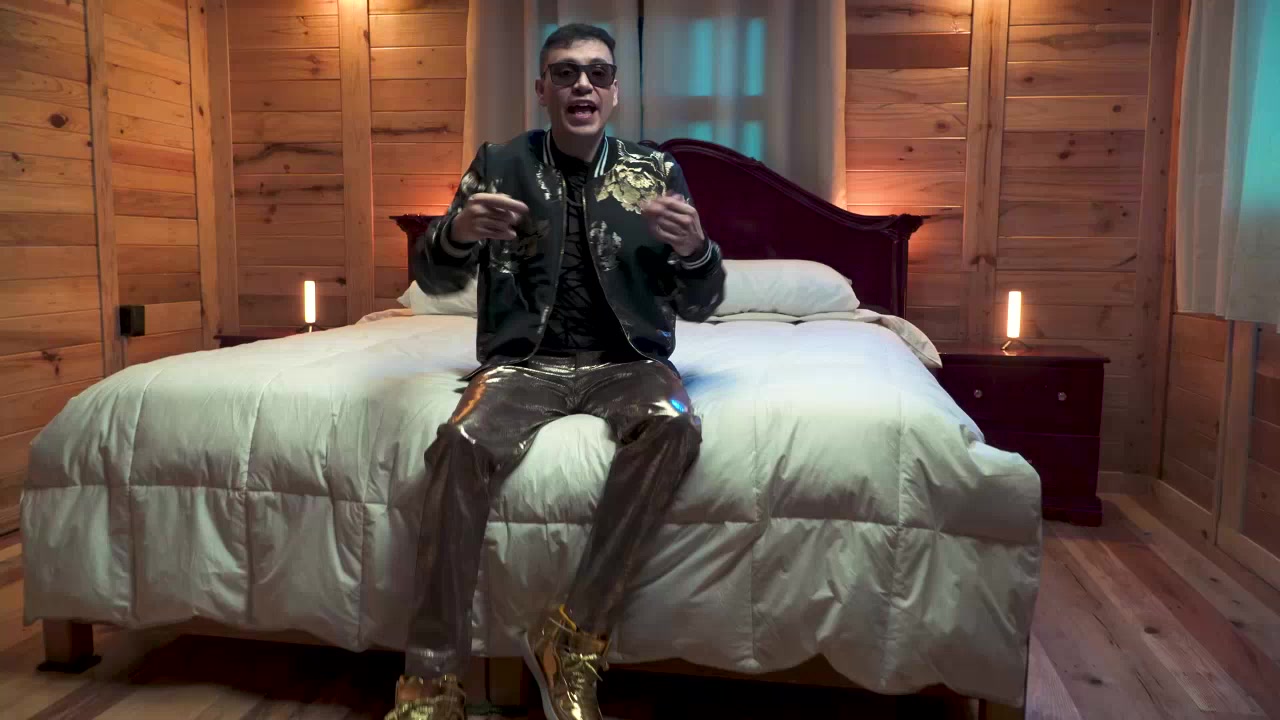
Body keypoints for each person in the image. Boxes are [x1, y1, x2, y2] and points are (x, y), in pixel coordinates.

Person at [386, 22, 726, 720]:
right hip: (524, 365)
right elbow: (432, 277)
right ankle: (430, 683)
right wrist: (456, 233)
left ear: (615, 92)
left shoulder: (654, 172)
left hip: (627, 362)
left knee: (673, 425)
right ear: (542, 89)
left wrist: (698, 252)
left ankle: (572, 639)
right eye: (566, 72)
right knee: (459, 442)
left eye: (598, 73)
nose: (582, 84)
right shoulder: (499, 164)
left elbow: (701, 301)